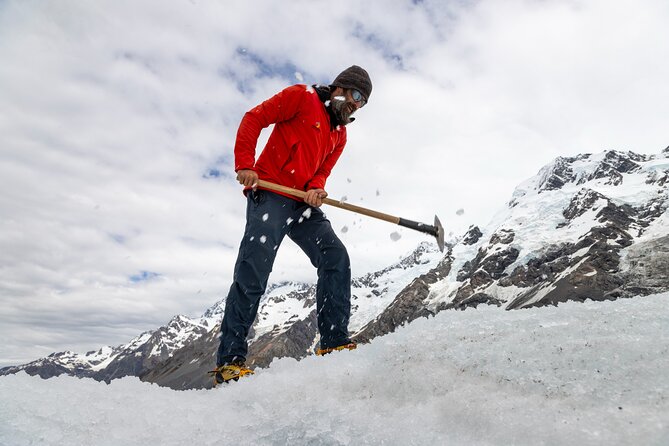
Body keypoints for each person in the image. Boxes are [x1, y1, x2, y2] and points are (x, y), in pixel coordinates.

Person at [211, 65, 373, 385]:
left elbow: (322, 169)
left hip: (302, 203)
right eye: (354, 95)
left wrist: (316, 187)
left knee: (335, 257)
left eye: (362, 102)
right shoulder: (301, 97)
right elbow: (253, 118)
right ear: (339, 87)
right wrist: (245, 163)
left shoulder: (339, 134)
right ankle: (230, 361)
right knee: (254, 269)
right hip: (270, 194)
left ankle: (333, 343)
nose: (355, 104)